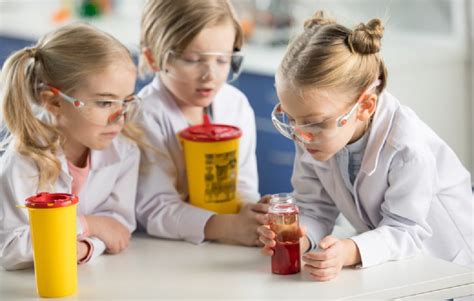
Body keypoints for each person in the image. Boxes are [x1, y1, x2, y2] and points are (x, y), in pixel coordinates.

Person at [258, 11, 473, 281]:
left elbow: (406, 230)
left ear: (365, 107)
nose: (301, 135)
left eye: (313, 123)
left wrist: (350, 250)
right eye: (291, 119)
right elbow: (314, 207)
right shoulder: (314, 133)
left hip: (453, 266)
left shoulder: (406, 148)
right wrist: (297, 237)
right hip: (401, 267)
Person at [0, 22, 143, 270]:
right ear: (54, 103)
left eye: (126, 101)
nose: (120, 117)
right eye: (105, 103)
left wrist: (85, 248)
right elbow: (10, 249)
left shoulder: (124, 152)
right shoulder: (23, 161)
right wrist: (88, 225)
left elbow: (118, 227)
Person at [136, 0, 267, 246]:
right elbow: (155, 208)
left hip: (221, 247)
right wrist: (228, 227)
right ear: (153, 58)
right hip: (163, 251)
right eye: (193, 59)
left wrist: (255, 214)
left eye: (222, 60)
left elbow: (244, 187)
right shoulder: (147, 114)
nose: (211, 75)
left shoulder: (235, 105)